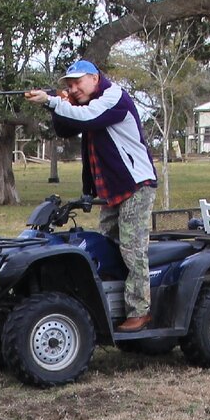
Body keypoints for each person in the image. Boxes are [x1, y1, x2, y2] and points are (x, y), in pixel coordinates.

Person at [25, 60, 158, 332]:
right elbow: (65, 128)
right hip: (113, 188)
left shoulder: (113, 97)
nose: (73, 89)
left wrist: (52, 101)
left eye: (78, 83)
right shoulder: (87, 104)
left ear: (95, 78)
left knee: (132, 248)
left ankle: (140, 311)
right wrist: (59, 104)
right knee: (107, 246)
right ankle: (112, 305)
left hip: (136, 183)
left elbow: (89, 117)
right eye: (69, 86)